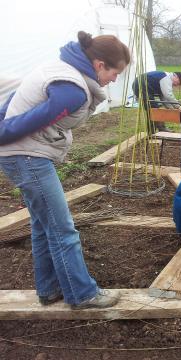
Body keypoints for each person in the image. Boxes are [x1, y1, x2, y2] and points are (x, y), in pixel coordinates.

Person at [0, 31, 130, 309]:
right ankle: (82, 293)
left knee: (42, 225)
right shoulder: (71, 90)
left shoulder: (62, 70)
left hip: (23, 155)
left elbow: (15, 99)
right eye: (114, 72)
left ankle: (48, 289)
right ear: (98, 65)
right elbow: (31, 121)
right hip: (28, 157)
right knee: (63, 228)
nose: (115, 79)